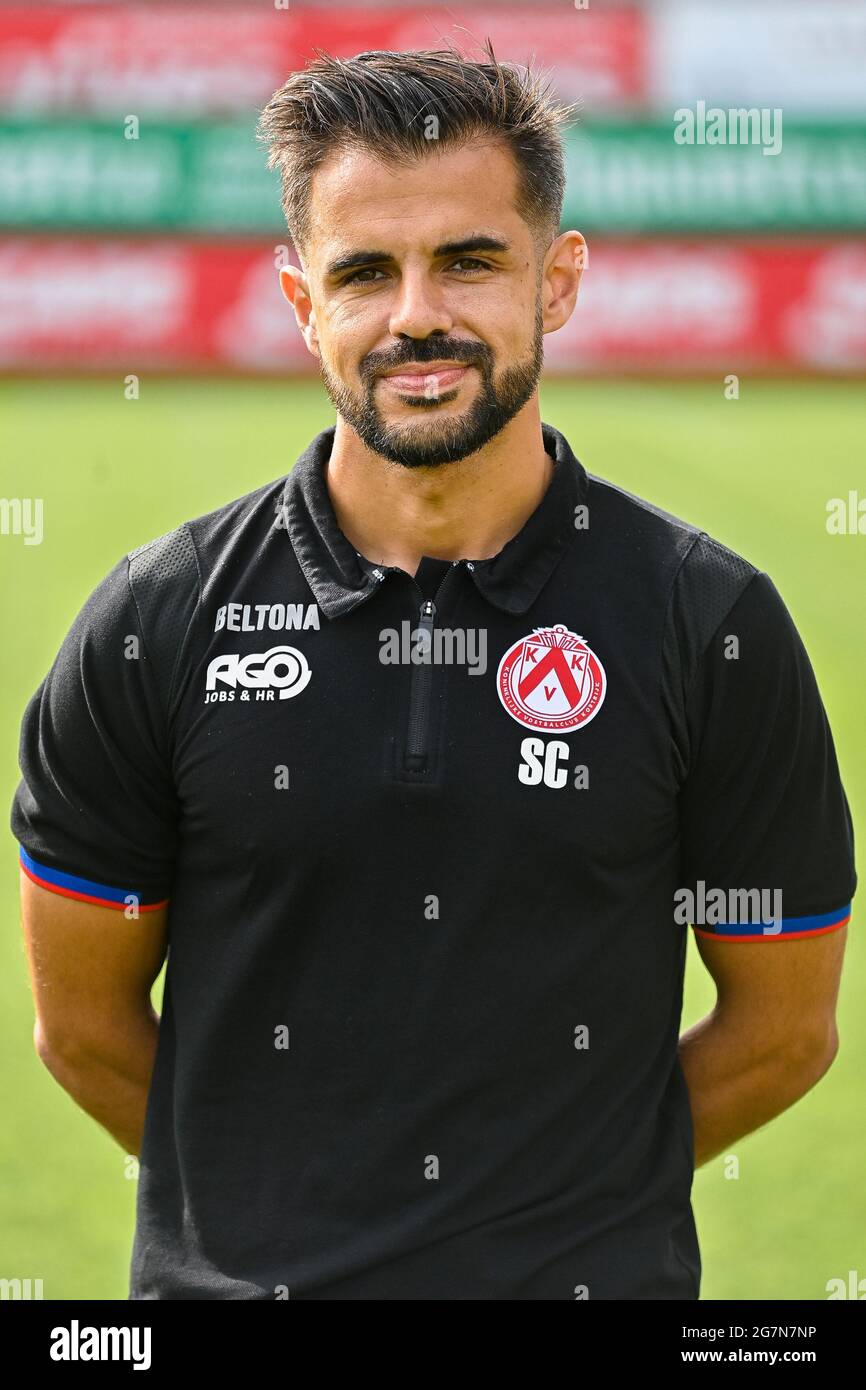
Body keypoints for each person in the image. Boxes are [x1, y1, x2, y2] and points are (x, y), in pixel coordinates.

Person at [12, 44, 856, 1300]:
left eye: (467, 260)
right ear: (303, 306)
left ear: (555, 280)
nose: (416, 313)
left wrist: (549, 1216)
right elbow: (81, 1029)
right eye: (364, 272)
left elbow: (781, 1027)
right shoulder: (156, 619)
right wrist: (269, 1212)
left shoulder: (707, 620)